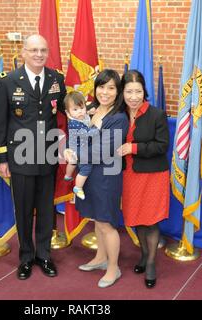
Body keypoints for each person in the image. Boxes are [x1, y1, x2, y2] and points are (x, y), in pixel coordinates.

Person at [0, 35, 66, 280]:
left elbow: (64, 111)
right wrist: (2, 158)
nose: (39, 55)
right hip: (20, 156)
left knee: (46, 209)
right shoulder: (9, 81)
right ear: (23, 52)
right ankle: (26, 257)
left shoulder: (57, 79)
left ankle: (43, 255)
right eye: (33, 50)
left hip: (47, 155)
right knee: (23, 210)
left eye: (43, 50)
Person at [65, 69, 129, 288]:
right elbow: (75, 136)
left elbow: (101, 150)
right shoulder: (90, 109)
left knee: (106, 223)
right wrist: (68, 150)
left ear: (118, 91)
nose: (105, 92)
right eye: (101, 86)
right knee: (97, 220)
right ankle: (101, 259)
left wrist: (76, 155)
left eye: (111, 88)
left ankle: (114, 268)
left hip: (106, 176)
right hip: (89, 174)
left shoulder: (118, 118)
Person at [117, 70, 170, 289]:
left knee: (151, 220)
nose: (133, 96)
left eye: (138, 91)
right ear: (123, 92)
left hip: (153, 175)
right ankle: (142, 254)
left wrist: (133, 147)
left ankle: (150, 263)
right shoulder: (118, 114)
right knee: (137, 218)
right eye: (129, 91)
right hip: (129, 175)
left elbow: (162, 146)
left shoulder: (156, 114)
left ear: (144, 91)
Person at [63, 91, 99, 200]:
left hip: (75, 146)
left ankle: (68, 175)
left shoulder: (81, 116)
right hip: (79, 148)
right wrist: (97, 128)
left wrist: (90, 111)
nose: (80, 112)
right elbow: (88, 134)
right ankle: (78, 187)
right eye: (75, 110)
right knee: (86, 167)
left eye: (82, 108)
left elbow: (87, 113)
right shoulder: (74, 123)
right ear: (68, 112)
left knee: (73, 162)